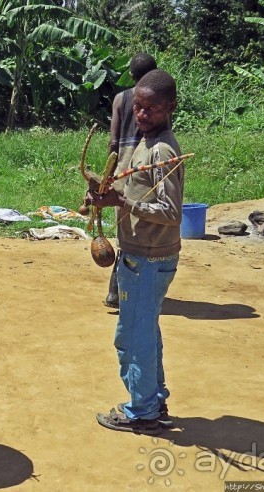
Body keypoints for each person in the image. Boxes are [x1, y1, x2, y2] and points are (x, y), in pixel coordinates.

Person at [87, 69, 183, 435]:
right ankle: (153, 400)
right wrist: (102, 195)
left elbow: (171, 213)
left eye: (153, 109)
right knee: (144, 332)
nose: (143, 115)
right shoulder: (141, 143)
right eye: (139, 108)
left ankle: (141, 411)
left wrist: (122, 201)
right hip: (139, 257)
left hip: (149, 259)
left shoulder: (163, 150)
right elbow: (131, 191)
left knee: (131, 338)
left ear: (171, 107)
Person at [103, 53, 158, 309]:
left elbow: (114, 142)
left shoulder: (120, 98)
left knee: (125, 232)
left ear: (131, 74)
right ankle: (121, 290)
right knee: (139, 233)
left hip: (122, 167)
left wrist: (108, 175)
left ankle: (117, 290)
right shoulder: (156, 101)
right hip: (144, 168)